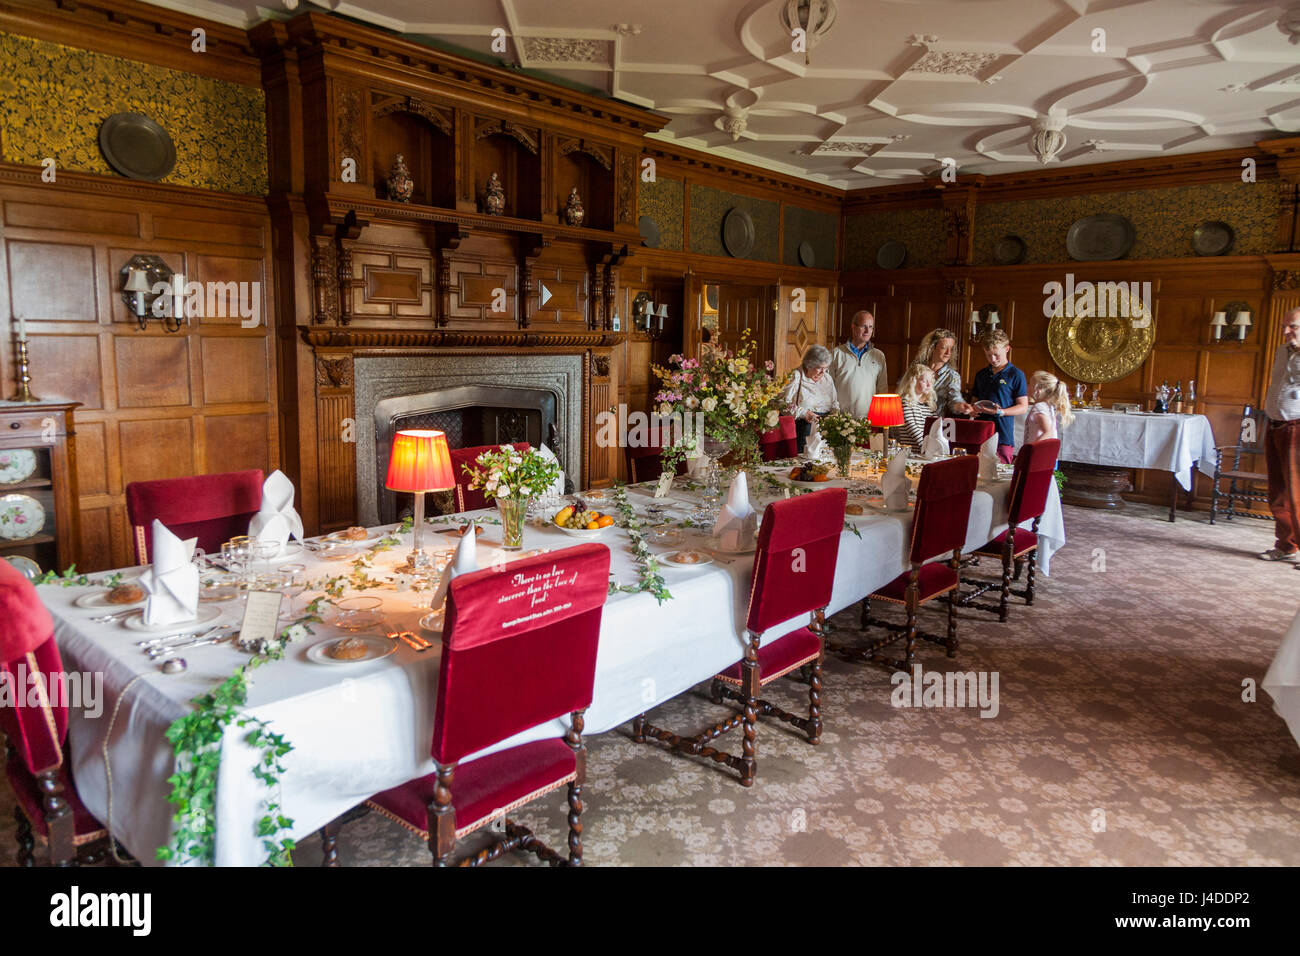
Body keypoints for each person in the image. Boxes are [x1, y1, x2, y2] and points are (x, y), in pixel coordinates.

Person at [1260, 307, 1300, 564]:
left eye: (1293, 327)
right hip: (1274, 423)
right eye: (1284, 326)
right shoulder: (1280, 350)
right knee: (1278, 491)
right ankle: (1286, 545)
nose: (1285, 332)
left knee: (1297, 493)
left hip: (1297, 426)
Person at [969, 330, 1028, 464]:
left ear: (1007, 349)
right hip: (980, 432)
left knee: (1002, 472)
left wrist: (1001, 412)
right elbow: (974, 401)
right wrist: (973, 409)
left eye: (996, 355)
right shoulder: (981, 375)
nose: (993, 359)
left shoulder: (1016, 375)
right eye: (989, 355)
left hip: (1002, 434)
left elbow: (1023, 407)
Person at [830, 310, 888, 418]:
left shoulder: (879, 356)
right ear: (853, 327)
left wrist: (880, 416)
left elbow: (882, 389)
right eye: (863, 326)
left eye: (870, 327)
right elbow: (828, 387)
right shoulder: (836, 354)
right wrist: (833, 415)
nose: (867, 331)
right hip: (841, 419)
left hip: (869, 419)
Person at [783, 344, 839, 453]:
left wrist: (834, 415)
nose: (823, 372)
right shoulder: (796, 376)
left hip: (824, 428)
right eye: (819, 368)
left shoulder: (827, 378)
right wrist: (805, 413)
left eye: (826, 368)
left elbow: (834, 403)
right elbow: (783, 404)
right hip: (803, 428)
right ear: (809, 364)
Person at [912, 328, 971, 417]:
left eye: (951, 349)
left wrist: (961, 406)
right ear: (932, 347)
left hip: (932, 422)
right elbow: (903, 392)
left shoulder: (952, 376)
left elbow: (955, 398)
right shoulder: (916, 369)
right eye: (944, 348)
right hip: (910, 418)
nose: (948, 353)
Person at [1023, 370, 1074, 447]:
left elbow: (1048, 432)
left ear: (1038, 391)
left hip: (1038, 454)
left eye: (1029, 384)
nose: (1027, 387)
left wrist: (1030, 449)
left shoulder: (1039, 407)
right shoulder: (1047, 406)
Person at [897, 362, 936, 450]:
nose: (929, 385)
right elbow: (912, 429)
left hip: (927, 452)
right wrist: (928, 448)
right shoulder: (905, 403)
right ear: (913, 381)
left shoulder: (929, 404)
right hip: (911, 454)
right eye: (924, 381)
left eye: (930, 381)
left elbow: (936, 427)